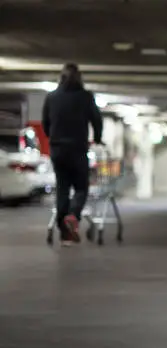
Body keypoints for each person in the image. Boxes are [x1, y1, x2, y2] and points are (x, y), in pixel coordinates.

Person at [42, 63, 103, 246]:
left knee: (62, 188)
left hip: (58, 149)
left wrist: (54, 136)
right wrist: (98, 138)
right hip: (77, 149)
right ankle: (73, 215)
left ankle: (65, 232)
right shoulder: (85, 97)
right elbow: (96, 120)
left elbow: (46, 123)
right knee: (81, 188)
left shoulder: (52, 97)